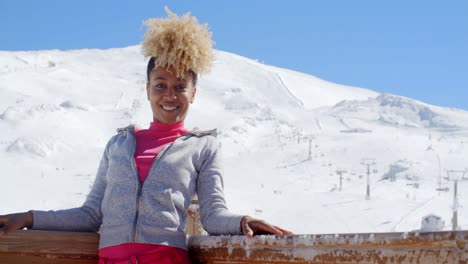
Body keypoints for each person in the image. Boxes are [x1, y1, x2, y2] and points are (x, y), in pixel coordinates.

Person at [0, 7, 292, 264]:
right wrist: (28, 218)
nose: (170, 95)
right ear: (147, 89)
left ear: (194, 93)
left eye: (180, 86)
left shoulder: (203, 147)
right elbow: (90, 215)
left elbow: (213, 216)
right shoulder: (118, 144)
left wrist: (244, 221)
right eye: (160, 85)